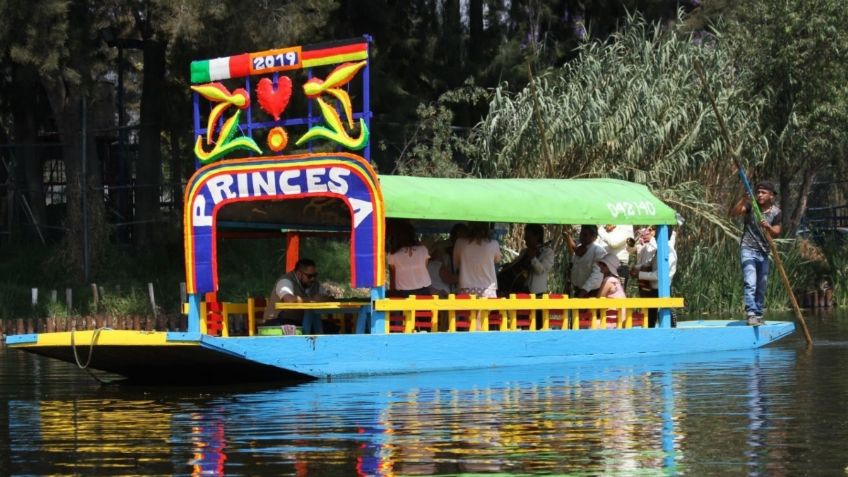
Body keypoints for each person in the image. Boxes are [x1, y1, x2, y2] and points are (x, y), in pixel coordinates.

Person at [730, 180, 782, 326]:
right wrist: (744, 199)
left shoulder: (776, 212)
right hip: (748, 249)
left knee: (762, 284)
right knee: (750, 281)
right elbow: (733, 213)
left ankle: (758, 314)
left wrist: (768, 227)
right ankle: (751, 314)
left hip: (764, 251)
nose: (759, 195)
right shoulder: (750, 206)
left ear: (771, 195)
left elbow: (777, 232)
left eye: (763, 193)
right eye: (758, 192)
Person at [262, 258, 332, 330]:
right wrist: (313, 299)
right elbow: (288, 299)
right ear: (299, 274)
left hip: (299, 321)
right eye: (309, 276)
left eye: (315, 275)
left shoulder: (314, 284)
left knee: (331, 327)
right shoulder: (285, 281)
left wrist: (324, 298)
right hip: (277, 322)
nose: (313, 279)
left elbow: (328, 297)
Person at [630, 227, 678, 327]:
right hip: (654, 288)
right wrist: (638, 268)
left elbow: (659, 275)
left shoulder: (669, 253)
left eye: (656, 236)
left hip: (662, 289)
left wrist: (639, 274)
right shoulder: (661, 249)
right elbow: (651, 263)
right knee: (650, 317)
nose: (654, 238)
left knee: (662, 317)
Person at [498, 224, 555, 295]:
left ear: (537, 236)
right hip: (520, 290)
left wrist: (533, 258)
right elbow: (518, 267)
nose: (525, 239)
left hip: (536, 293)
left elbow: (541, 270)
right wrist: (509, 266)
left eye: (528, 237)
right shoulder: (524, 251)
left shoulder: (548, 252)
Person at [453, 222, 501, 298]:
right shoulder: (494, 244)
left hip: (466, 287)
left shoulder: (460, 242)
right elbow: (497, 260)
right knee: (486, 310)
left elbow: (456, 261)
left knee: (467, 310)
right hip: (488, 287)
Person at [387, 221, 432, 297]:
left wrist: (392, 293)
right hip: (424, 291)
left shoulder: (393, 255)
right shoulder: (423, 250)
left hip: (403, 293)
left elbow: (393, 279)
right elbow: (424, 268)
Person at [566, 225, 605, 297]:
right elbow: (574, 266)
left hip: (590, 293)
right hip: (578, 290)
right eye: (581, 234)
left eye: (585, 235)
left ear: (593, 237)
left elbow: (596, 275)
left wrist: (583, 292)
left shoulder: (598, 251)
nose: (581, 237)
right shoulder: (579, 247)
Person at [597, 253, 626, 328]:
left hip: (614, 320)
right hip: (620, 319)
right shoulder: (616, 280)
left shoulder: (609, 280)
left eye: (603, 264)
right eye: (601, 264)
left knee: (586, 326)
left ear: (608, 267)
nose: (601, 266)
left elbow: (598, 300)